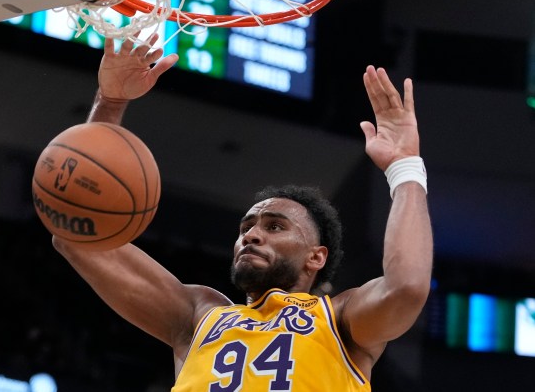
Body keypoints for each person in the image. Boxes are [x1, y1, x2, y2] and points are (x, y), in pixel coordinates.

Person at [51, 34, 433, 391]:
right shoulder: (199, 314)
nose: (251, 235)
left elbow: (407, 288)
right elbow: (79, 235)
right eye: (246, 226)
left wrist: (404, 167)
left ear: (316, 257)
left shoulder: (341, 319)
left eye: (275, 226)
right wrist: (110, 102)